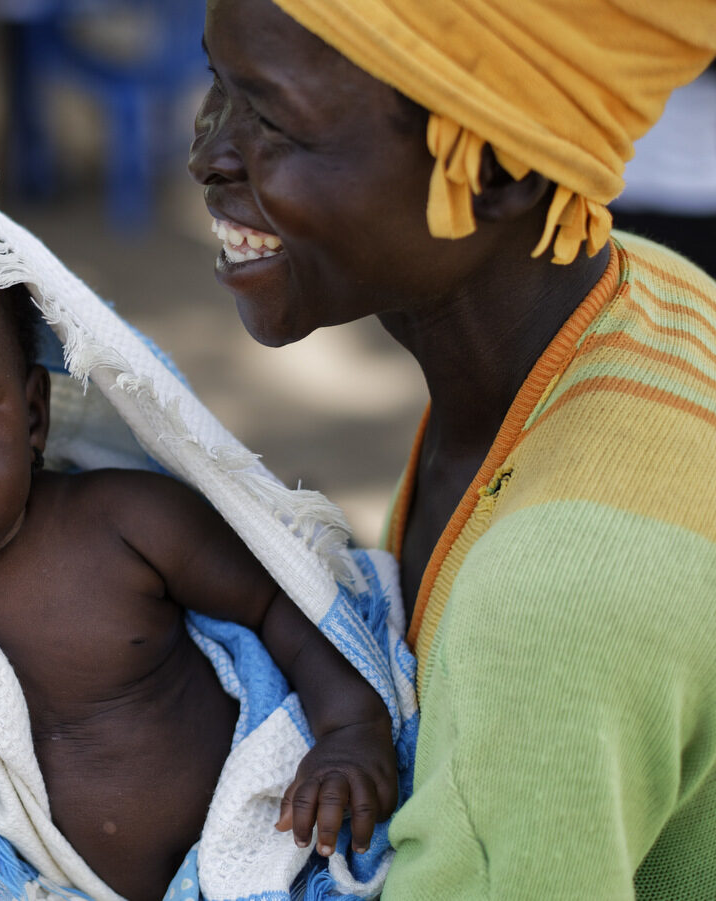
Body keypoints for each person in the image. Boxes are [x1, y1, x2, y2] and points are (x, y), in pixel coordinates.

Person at [188, 0, 716, 897]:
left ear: (502, 171)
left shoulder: (546, 605)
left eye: (274, 119)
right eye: (216, 85)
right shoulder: (653, 294)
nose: (208, 156)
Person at [0, 187, 396, 901]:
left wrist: (349, 724)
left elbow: (279, 603)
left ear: (35, 415)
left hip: (251, 864)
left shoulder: (125, 523)